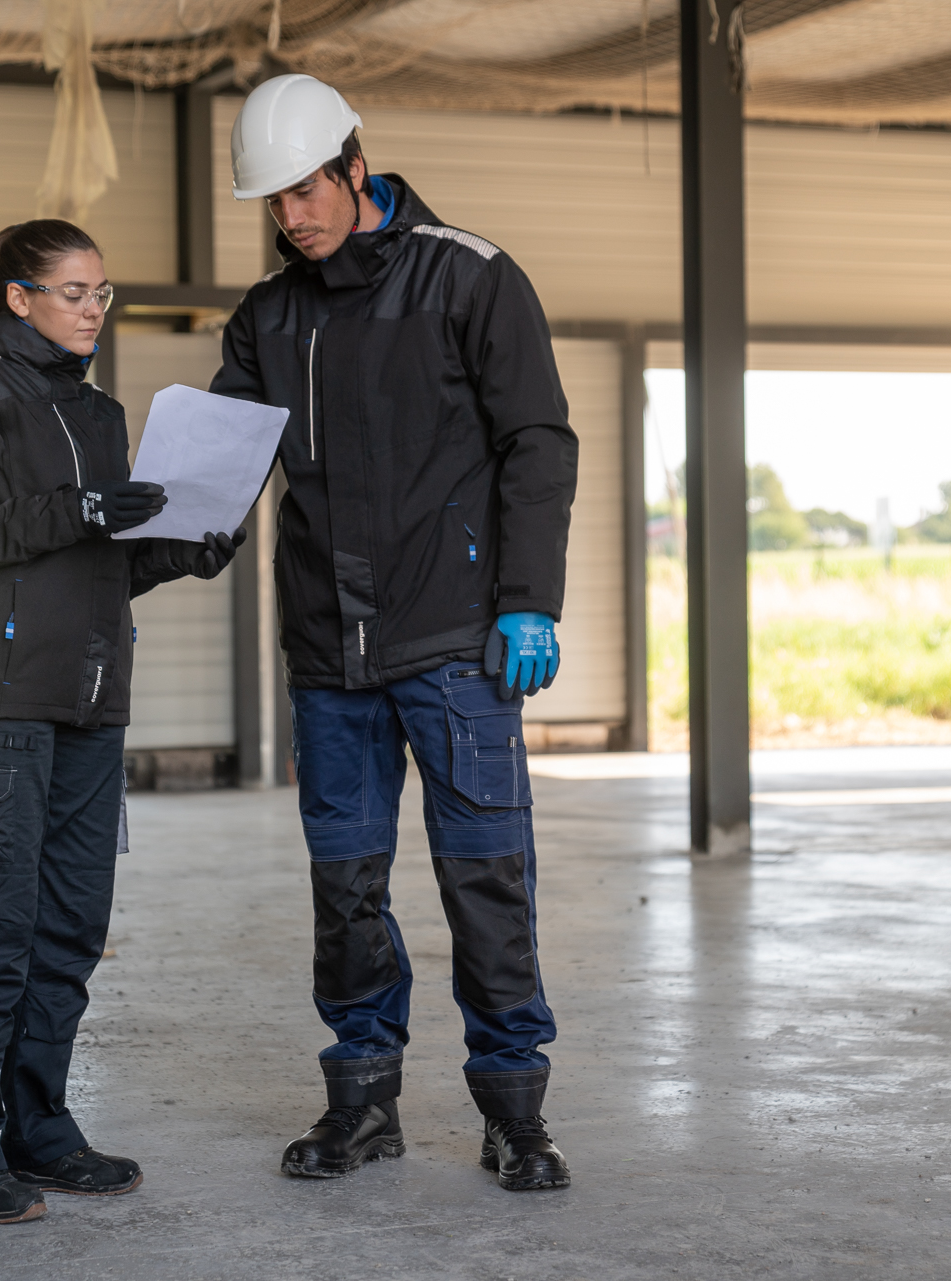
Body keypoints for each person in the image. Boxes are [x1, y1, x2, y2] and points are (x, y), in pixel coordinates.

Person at [212, 75, 579, 1192]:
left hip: (456, 642)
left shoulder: (468, 276)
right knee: (347, 888)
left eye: (306, 191)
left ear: (355, 167)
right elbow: (222, 466)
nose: (292, 219)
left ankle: (515, 1113)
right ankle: (362, 1102)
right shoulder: (268, 317)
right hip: (330, 654)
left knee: (487, 881)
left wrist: (529, 596)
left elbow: (537, 441)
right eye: (274, 203)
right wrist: (139, 538)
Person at [0, 218, 244, 1224]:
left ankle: (41, 1131)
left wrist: (183, 548)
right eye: (73, 292)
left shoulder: (99, 412)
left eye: (103, 293)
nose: (93, 310)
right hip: (0, 705)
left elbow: (102, 566)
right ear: (19, 297)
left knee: (68, 930)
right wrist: (87, 509)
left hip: (92, 703)